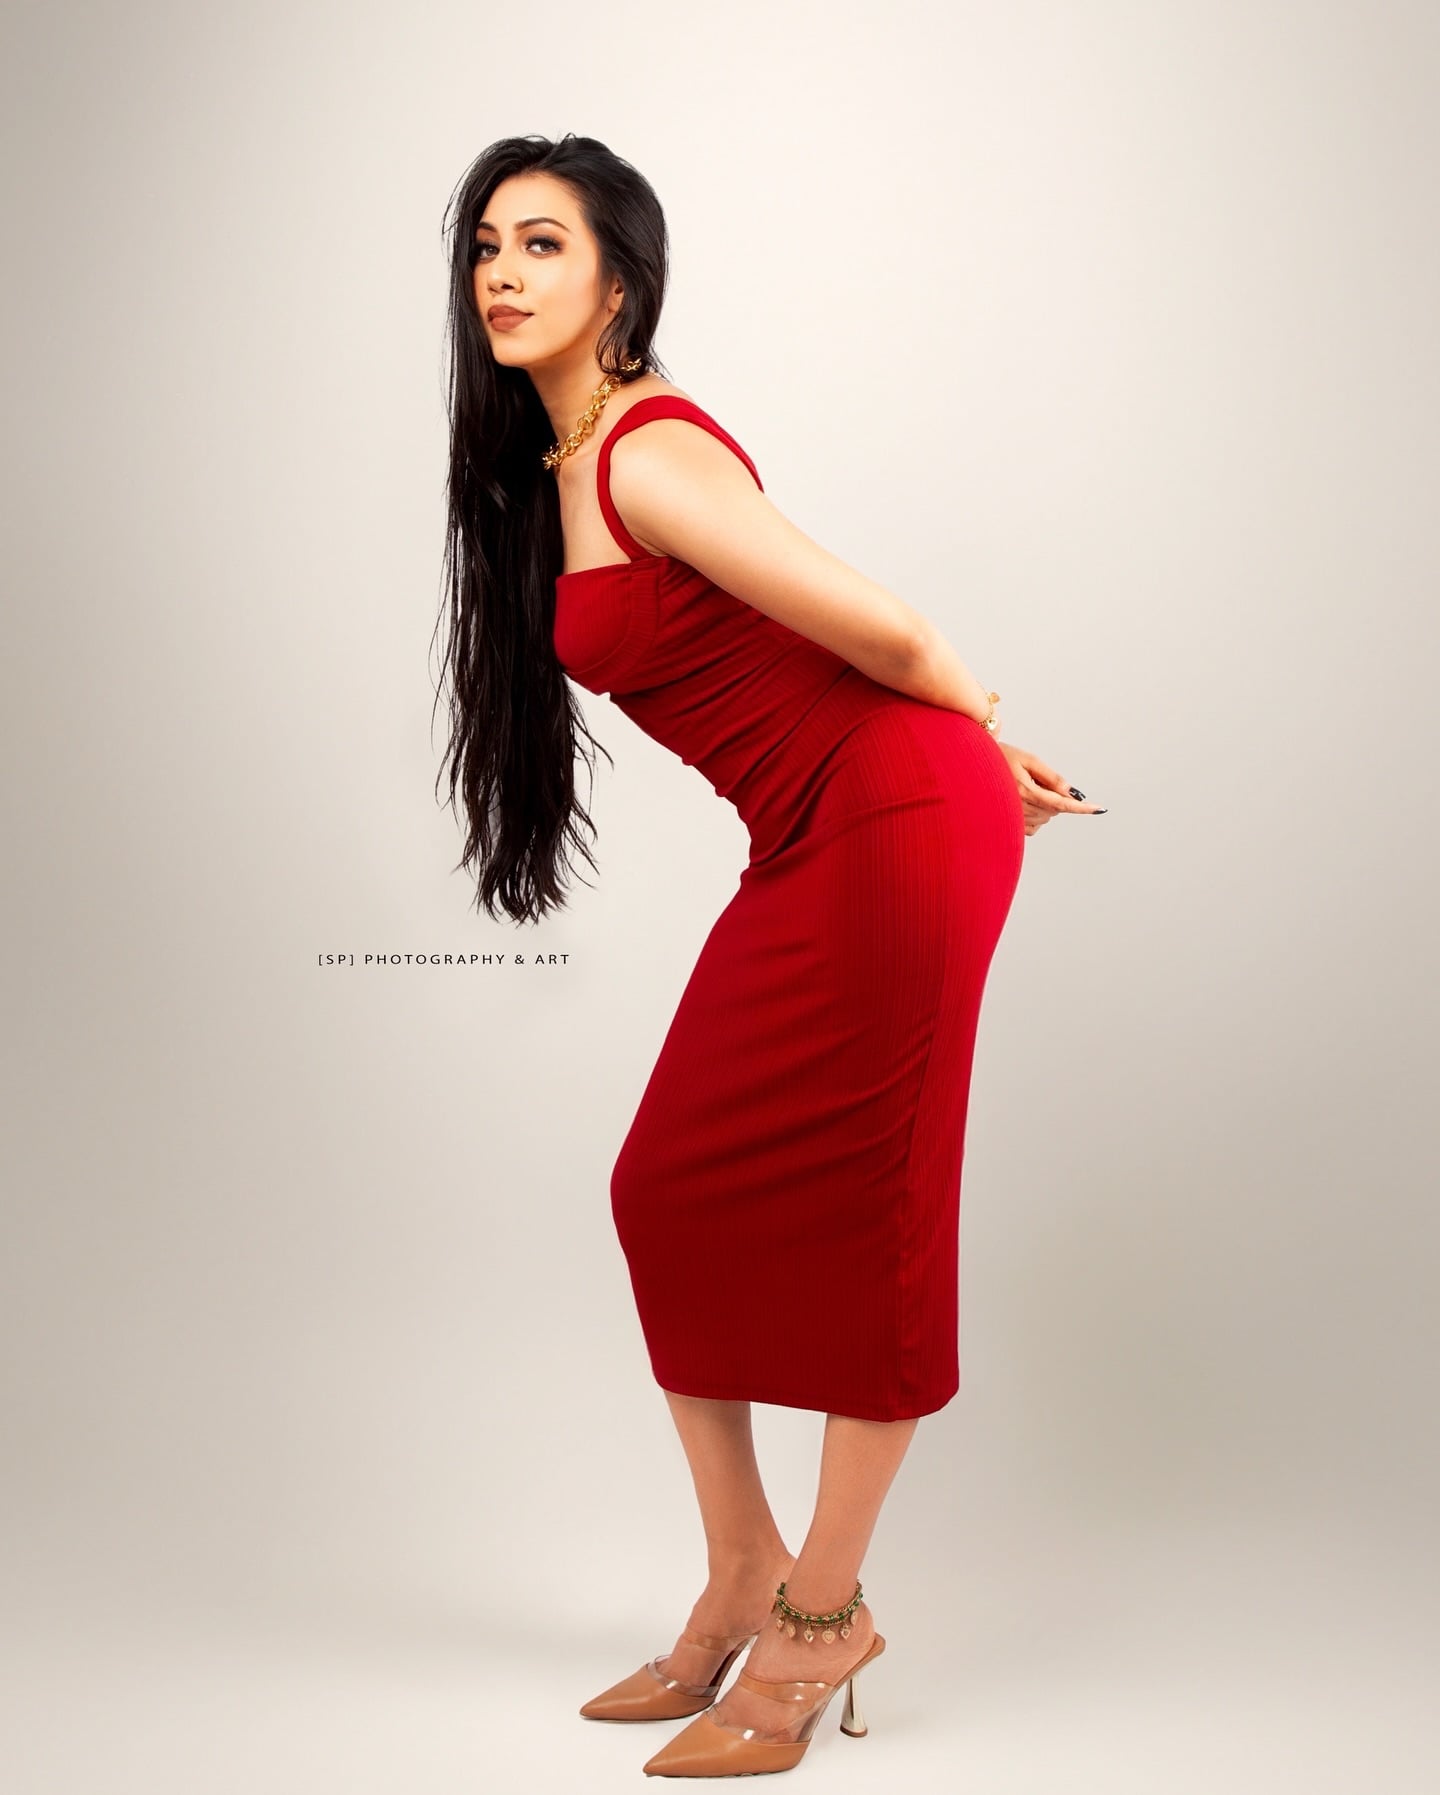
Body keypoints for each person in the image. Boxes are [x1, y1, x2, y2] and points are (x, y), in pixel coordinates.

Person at [436, 133, 1105, 1779]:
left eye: (543, 243)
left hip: (892, 821)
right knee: (668, 1185)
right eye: (488, 246)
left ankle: (820, 1614)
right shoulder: (560, 465)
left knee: (881, 1207)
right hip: (823, 832)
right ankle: (743, 1565)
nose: (504, 274)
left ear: (622, 281)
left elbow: (885, 630)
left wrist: (978, 739)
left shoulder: (646, 454)